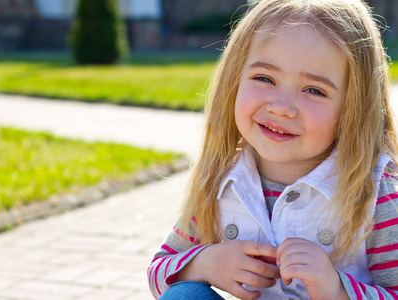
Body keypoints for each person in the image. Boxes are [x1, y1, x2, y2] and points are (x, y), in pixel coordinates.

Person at [147, 0, 398, 299]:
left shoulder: (375, 191)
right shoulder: (222, 180)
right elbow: (158, 271)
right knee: (184, 294)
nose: (281, 108)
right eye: (265, 78)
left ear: (355, 107)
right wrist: (205, 263)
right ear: (234, 82)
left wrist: (336, 289)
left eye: (314, 90)